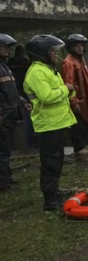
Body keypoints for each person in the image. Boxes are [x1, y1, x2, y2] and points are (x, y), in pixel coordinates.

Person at [23, 34, 77, 210]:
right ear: (41, 53)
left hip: (57, 123)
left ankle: (54, 191)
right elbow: (47, 97)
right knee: (50, 162)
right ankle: (50, 199)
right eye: (51, 51)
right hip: (48, 125)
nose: (55, 54)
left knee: (56, 160)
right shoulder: (37, 72)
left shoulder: (48, 69)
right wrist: (65, 88)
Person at [0, 34, 32, 193]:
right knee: (2, 151)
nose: (7, 50)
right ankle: (3, 184)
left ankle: (6, 177)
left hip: (11, 114)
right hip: (3, 117)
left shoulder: (6, 66)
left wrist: (21, 101)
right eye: (4, 47)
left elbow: (11, 91)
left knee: (6, 150)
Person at [62, 34, 88, 155]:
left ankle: (83, 145)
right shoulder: (69, 62)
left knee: (85, 122)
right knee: (78, 124)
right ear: (71, 47)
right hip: (78, 98)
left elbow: (83, 76)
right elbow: (68, 83)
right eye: (76, 46)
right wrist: (73, 101)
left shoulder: (79, 60)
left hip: (85, 97)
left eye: (81, 45)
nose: (79, 48)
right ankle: (79, 148)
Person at [7, 44, 37, 149]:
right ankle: (32, 144)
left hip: (15, 91)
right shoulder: (28, 63)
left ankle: (24, 145)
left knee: (17, 118)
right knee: (29, 117)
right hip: (26, 93)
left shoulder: (10, 63)